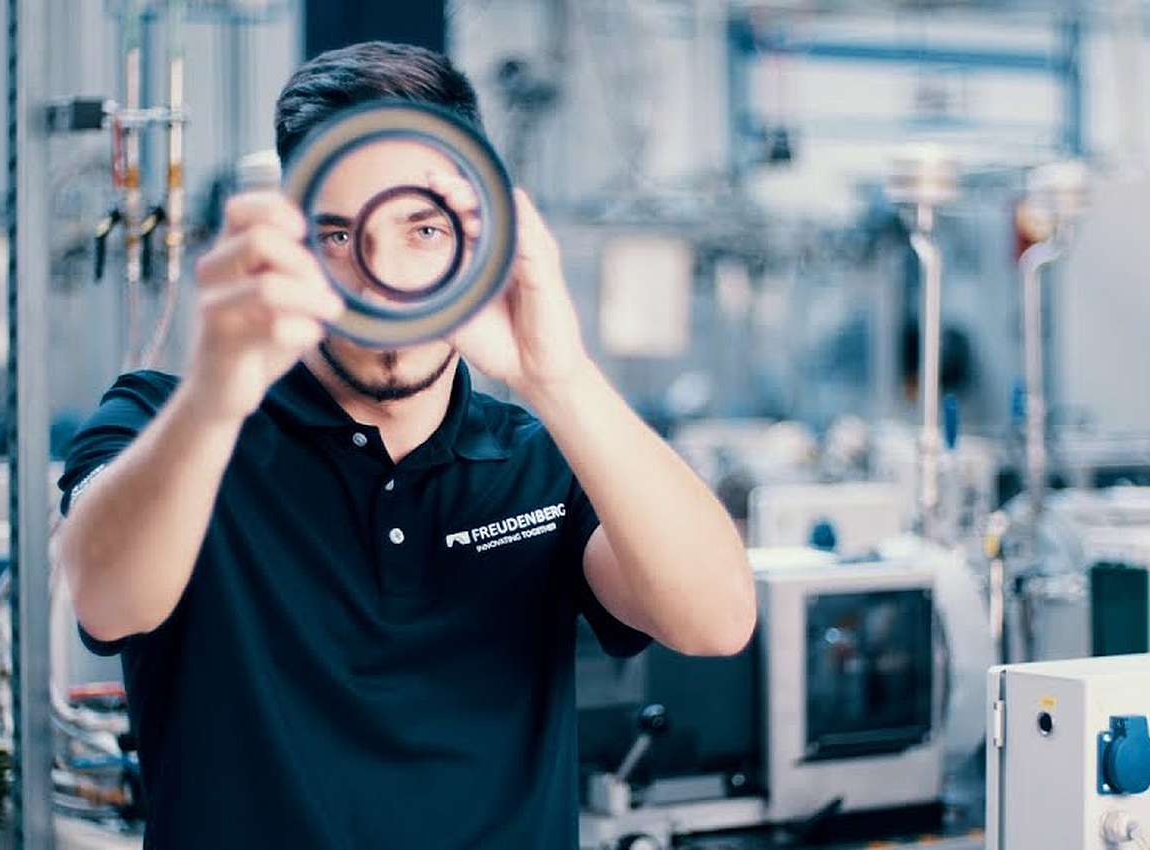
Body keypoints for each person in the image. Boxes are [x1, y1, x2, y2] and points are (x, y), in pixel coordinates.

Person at [52, 41, 755, 848]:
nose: (381, 276)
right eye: (340, 236)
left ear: (478, 239)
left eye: (422, 229)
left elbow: (718, 621)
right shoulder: (168, 424)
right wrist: (217, 389)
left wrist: (559, 377)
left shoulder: (542, 456)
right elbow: (105, 596)